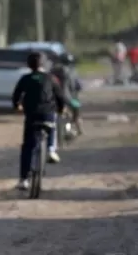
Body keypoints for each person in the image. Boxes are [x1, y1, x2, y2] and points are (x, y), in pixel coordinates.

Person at [12, 52, 66, 191]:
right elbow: (60, 96)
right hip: (47, 114)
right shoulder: (51, 78)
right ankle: (50, 149)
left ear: (29, 65)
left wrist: (17, 105)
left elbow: (16, 95)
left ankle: (24, 179)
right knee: (52, 124)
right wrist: (61, 109)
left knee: (27, 146)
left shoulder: (25, 79)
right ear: (43, 64)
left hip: (31, 116)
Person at [50, 52, 84, 135]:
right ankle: (78, 129)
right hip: (69, 98)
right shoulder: (72, 72)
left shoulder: (53, 70)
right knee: (76, 110)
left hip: (53, 97)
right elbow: (78, 85)